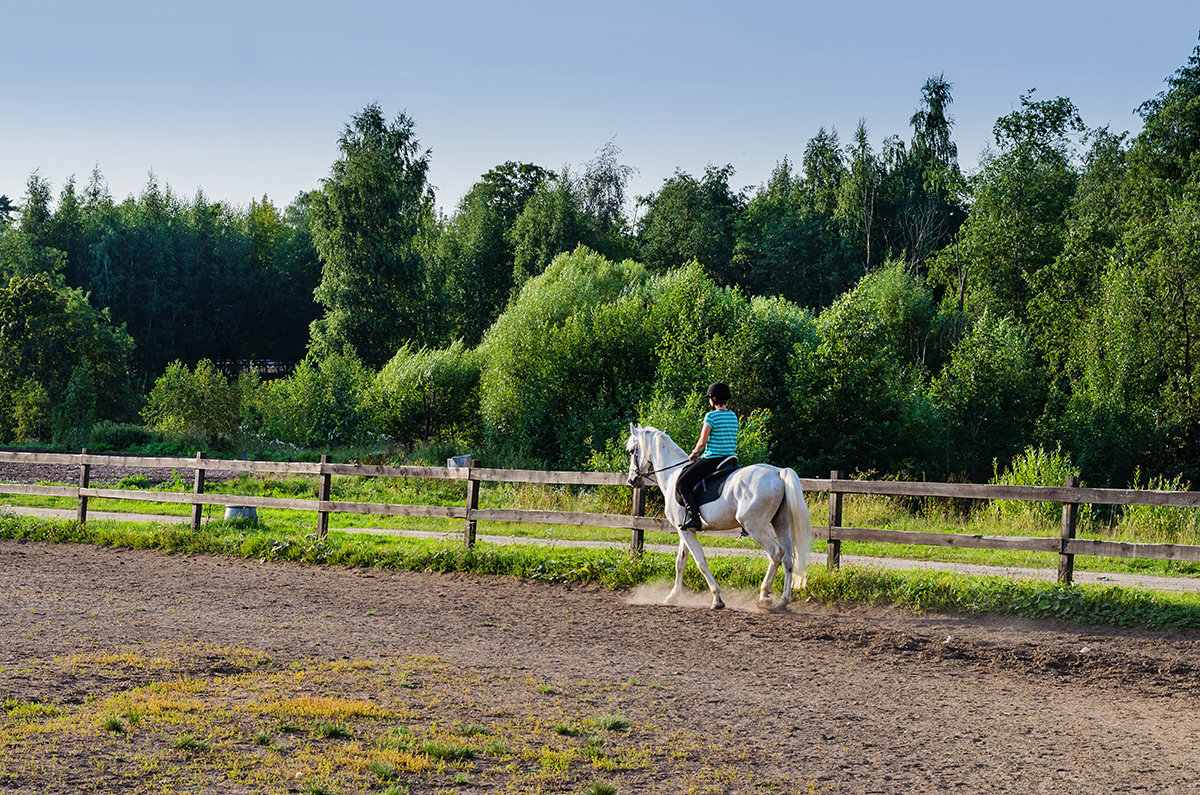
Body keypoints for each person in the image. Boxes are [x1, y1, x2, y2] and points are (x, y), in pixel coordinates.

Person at [676, 382, 739, 530]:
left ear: (714, 399)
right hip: (729, 459)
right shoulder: (733, 416)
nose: (709, 401)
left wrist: (694, 453)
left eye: (710, 398)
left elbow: (703, 441)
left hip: (712, 459)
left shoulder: (711, 416)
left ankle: (694, 518)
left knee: (682, 483)